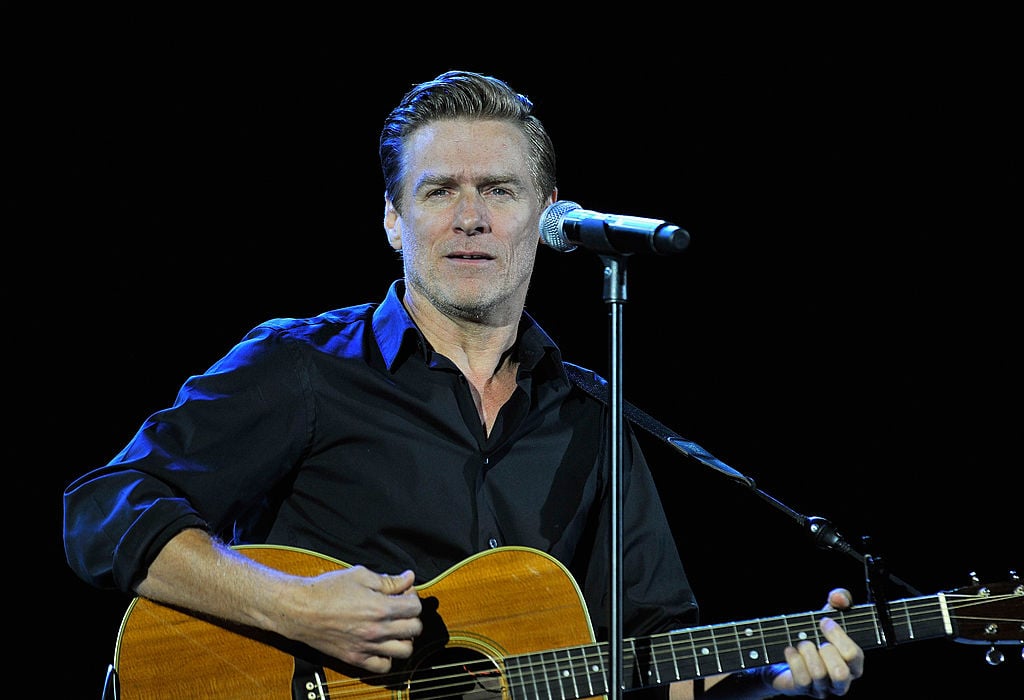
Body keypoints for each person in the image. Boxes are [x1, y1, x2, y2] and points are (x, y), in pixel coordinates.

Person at [63, 70, 865, 699]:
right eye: (440, 190)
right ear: (393, 219)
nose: (471, 217)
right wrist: (293, 605)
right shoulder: (302, 365)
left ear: (547, 217)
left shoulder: (591, 416)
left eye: (500, 190)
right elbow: (103, 510)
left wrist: (774, 681)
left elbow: (651, 661)